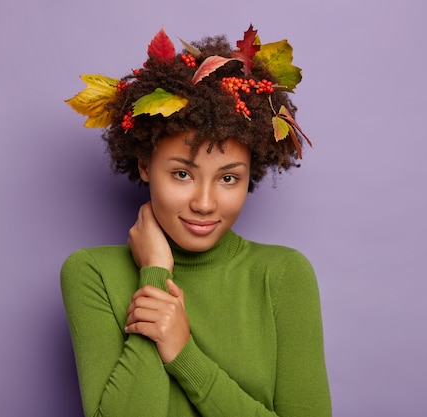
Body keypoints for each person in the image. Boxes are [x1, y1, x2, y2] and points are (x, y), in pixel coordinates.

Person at [61, 25, 331, 417]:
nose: (205, 203)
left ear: (250, 175)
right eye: (182, 174)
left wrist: (183, 353)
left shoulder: (284, 275)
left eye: (228, 178)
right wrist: (154, 274)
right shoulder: (91, 273)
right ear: (144, 165)